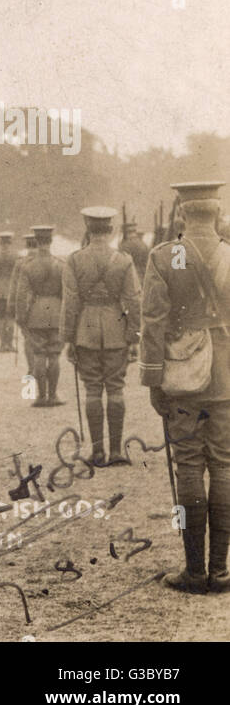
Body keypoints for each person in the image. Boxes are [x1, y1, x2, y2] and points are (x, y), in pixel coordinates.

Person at [141, 181, 230, 594]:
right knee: (225, 465)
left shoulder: (164, 256)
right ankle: (221, 571)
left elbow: (153, 323)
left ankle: (194, 572)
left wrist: (153, 379)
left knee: (189, 465)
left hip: (182, 375)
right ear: (216, 212)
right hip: (228, 376)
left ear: (181, 213)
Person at [61, 207, 141, 467]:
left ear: (87, 227)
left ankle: (97, 453)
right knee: (116, 389)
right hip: (117, 330)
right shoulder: (123, 260)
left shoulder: (75, 260)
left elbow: (71, 303)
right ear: (111, 229)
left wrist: (69, 339)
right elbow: (133, 301)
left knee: (92, 390)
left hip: (85, 332)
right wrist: (133, 337)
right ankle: (116, 451)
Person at [16, 224, 66, 407]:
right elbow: (66, 293)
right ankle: (53, 396)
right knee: (54, 355)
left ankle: (41, 396)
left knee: (38, 354)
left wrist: (21, 319)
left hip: (36, 314)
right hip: (57, 313)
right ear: (51, 241)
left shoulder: (28, 266)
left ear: (36, 241)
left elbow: (22, 296)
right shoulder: (61, 264)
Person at [8, 232, 39, 374]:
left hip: (26, 307)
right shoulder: (52, 261)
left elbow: (14, 289)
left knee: (28, 339)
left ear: (27, 245)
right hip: (47, 308)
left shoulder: (20, 263)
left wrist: (11, 308)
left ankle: (32, 369)